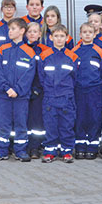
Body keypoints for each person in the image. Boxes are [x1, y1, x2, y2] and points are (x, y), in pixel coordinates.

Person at [0, 17, 35, 162]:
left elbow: (29, 75)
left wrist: (17, 90)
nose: (10, 32)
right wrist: (6, 88)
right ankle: (2, 150)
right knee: (4, 123)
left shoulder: (29, 52)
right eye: (9, 29)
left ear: (22, 31)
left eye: (13, 29)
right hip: (4, 96)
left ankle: (20, 151)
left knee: (21, 123)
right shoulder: (2, 50)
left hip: (21, 96)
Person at [38, 24, 78, 163]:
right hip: (49, 97)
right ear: (51, 37)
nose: (59, 39)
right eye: (56, 36)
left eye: (62, 36)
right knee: (50, 125)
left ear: (67, 38)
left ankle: (67, 151)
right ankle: (50, 151)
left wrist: (66, 91)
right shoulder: (44, 56)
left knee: (67, 125)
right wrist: (50, 89)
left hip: (66, 97)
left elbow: (75, 77)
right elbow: (41, 77)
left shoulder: (72, 56)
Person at [71, 21, 102, 159]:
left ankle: (92, 146)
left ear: (94, 34)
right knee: (80, 117)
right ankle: (80, 147)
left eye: (90, 32)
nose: (87, 35)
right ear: (80, 34)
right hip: (78, 90)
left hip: (94, 90)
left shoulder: (100, 52)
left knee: (93, 117)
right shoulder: (74, 52)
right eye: (84, 32)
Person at [25, 21, 48, 158]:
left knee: (37, 120)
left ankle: (35, 147)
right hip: (23, 90)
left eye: (35, 31)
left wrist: (39, 88)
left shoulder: (44, 50)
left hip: (39, 91)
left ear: (40, 34)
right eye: (30, 31)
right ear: (25, 33)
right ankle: (24, 145)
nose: (32, 34)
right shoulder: (21, 49)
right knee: (25, 119)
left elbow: (45, 72)